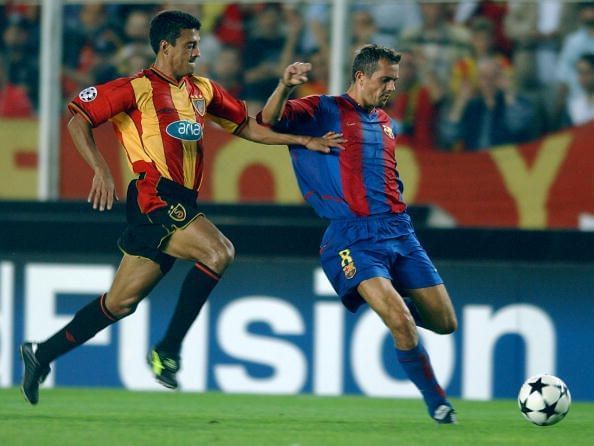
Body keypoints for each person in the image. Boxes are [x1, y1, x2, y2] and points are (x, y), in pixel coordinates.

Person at [19, 9, 343, 405]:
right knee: (219, 251)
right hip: (154, 195)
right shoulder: (134, 88)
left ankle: (41, 354)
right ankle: (168, 350)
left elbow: (247, 126)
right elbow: (77, 119)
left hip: (181, 201)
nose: (197, 51)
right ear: (165, 46)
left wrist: (303, 141)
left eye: (198, 44)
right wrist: (101, 170)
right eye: (190, 45)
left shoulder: (202, 90)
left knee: (119, 303)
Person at [257, 44, 458, 424]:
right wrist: (285, 86)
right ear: (361, 76)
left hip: (399, 230)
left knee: (445, 323)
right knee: (399, 320)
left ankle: (394, 302)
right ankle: (439, 404)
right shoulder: (322, 109)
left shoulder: (384, 121)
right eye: (385, 79)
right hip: (351, 236)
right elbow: (269, 120)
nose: (391, 88)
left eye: (395, 81)